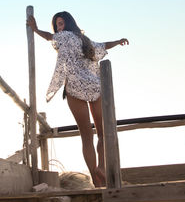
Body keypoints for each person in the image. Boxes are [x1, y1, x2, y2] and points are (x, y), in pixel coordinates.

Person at [27, 11, 129, 187]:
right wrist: (118, 42)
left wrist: (35, 29)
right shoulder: (83, 40)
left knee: (88, 135)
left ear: (68, 23)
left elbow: (48, 36)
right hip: (91, 85)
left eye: (61, 23)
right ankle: (101, 168)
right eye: (57, 24)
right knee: (100, 133)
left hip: (77, 87)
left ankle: (97, 175)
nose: (60, 27)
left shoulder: (65, 38)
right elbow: (102, 46)